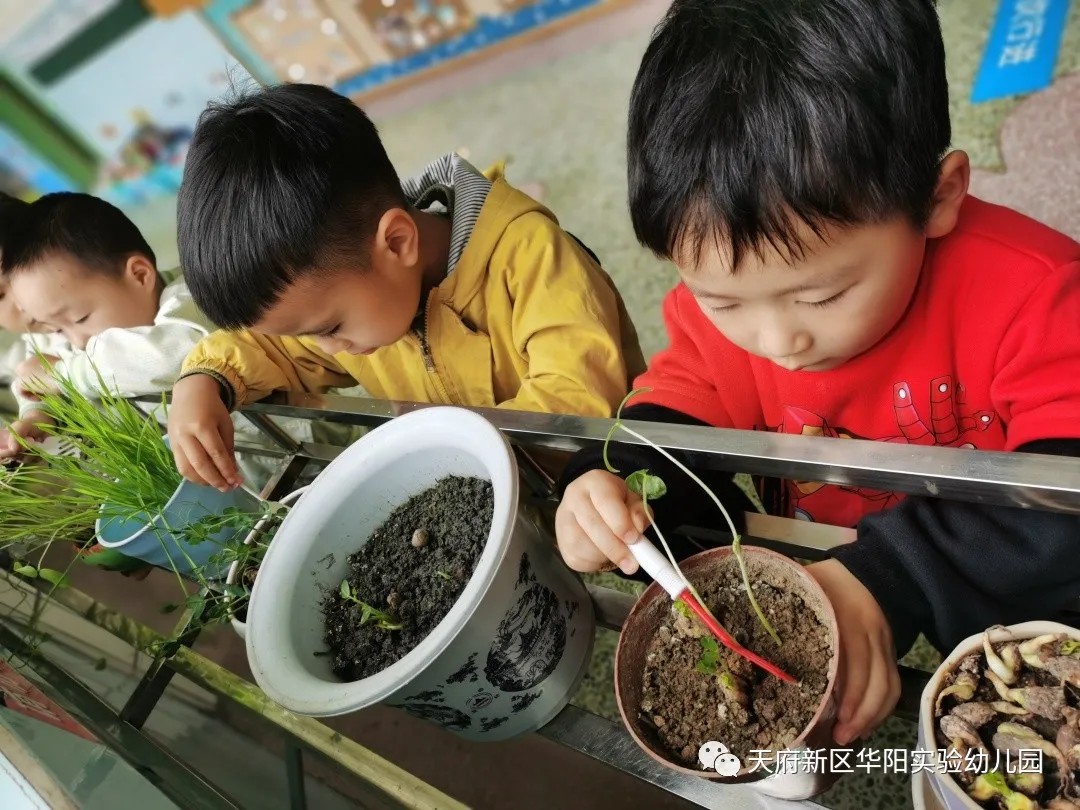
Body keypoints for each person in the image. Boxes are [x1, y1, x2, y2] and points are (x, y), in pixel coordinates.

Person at [554, 0, 1080, 749]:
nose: (778, 341)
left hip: (996, 594)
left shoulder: (1037, 293)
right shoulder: (727, 311)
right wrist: (605, 489)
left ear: (937, 197)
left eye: (821, 296)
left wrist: (892, 576)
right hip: (825, 573)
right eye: (723, 302)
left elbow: (1064, 496)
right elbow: (669, 416)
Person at [166, 82, 644, 491]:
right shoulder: (354, 284)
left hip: (615, 490)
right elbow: (271, 349)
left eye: (329, 328)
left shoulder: (531, 256)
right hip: (499, 495)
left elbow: (577, 403)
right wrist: (205, 381)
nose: (326, 349)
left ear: (397, 242)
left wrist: (429, 452)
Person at [0, 192, 312, 487]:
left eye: (80, 319)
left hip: (302, 452)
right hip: (232, 478)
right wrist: (36, 416)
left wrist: (64, 374)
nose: (76, 342)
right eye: (54, 329)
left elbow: (172, 355)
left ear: (139, 274)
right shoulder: (73, 331)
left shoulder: (193, 298)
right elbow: (41, 374)